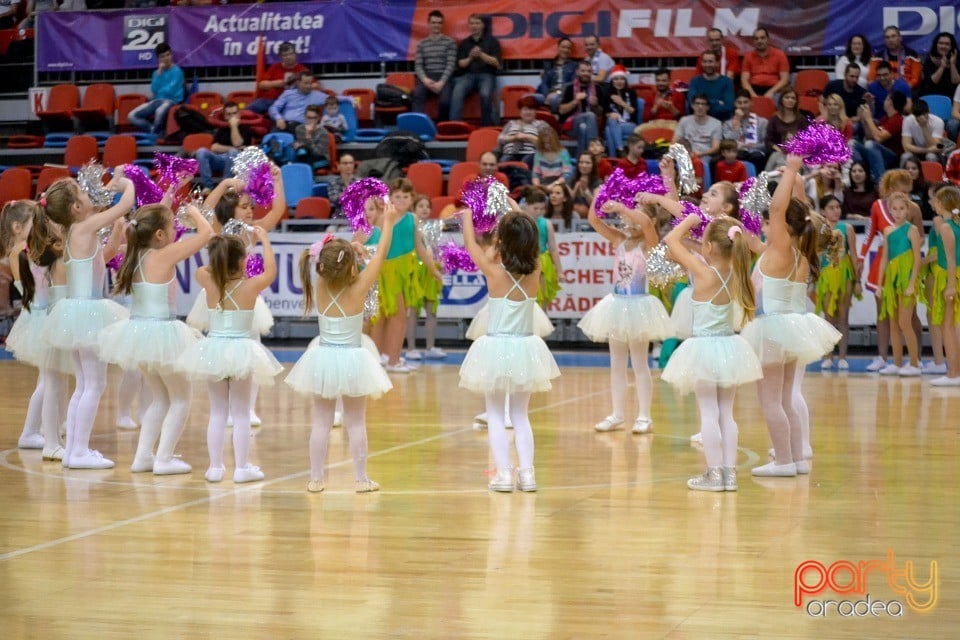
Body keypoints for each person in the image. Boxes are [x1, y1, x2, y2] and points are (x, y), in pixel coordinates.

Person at [740, 154, 840, 477]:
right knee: (785, 397)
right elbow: (794, 211)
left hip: (773, 330)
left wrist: (793, 169)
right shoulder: (797, 247)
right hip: (792, 329)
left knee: (770, 399)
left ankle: (782, 461)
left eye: (770, 223)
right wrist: (796, 181)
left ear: (781, 226)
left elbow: (778, 209)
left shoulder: (782, 248)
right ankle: (795, 458)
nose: (766, 225)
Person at [287, 214, 401, 493]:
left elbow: (334, 262)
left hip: (323, 357)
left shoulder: (320, 284)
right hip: (352, 359)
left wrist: (351, 250)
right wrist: (386, 224)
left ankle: (316, 479)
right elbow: (382, 252)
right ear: (351, 266)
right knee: (355, 421)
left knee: (322, 422)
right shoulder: (359, 287)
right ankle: (361, 479)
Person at [98, 203, 213, 475]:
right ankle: (164, 458)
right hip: (161, 333)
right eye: (174, 225)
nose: (177, 229)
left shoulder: (136, 255)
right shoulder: (164, 255)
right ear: (160, 235)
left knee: (161, 399)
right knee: (182, 398)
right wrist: (195, 213)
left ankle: (143, 458)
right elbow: (207, 234)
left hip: (139, 333)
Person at [655, 213, 761, 491]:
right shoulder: (739, 274)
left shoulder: (702, 272)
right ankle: (729, 474)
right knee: (726, 412)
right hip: (729, 346)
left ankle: (714, 475)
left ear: (711, 247)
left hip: (704, 348)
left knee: (709, 413)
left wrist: (691, 220)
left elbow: (670, 240)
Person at [458, 209, 561, 492]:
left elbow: (471, 245)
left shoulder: (493, 271)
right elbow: (524, 239)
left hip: (496, 347)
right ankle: (527, 474)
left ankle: (504, 475)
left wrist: (467, 217)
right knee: (520, 415)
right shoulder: (537, 267)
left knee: (494, 414)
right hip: (525, 346)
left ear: (502, 241)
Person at [42, 172, 136, 470]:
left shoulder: (76, 231)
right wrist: (128, 184)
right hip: (88, 312)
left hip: (77, 312)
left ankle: (73, 450)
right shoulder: (84, 227)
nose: (87, 195)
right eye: (81, 193)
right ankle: (79, 451)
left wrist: (118, 229)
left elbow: (104, 256)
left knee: (84, 385)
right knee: (94, 384)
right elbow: (124, 205)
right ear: (75, 208)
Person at [179, 231, 282, 484]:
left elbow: (201, 268)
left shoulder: (209, 281)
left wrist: (219, 257)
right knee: (240, 413)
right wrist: (265, 240)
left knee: (217, 412)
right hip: (240, 351)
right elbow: (270, 271)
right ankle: (241, 467)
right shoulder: (250, 286)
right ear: (241, 261)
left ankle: (215, 467)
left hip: (214, 349)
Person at [194, 170, 286, 427]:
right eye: (244, 207)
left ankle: (246, 409)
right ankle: (224, 406)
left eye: (251, 206)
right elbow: (203, 210)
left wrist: (278, 180)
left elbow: (277, 211)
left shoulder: (251, 232)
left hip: (245, 300)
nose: (249, 211)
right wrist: (223, 184)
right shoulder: (215, 231)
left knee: (251, 351)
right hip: (217, 298)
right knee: (220, 348)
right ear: (230, 209)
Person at [580, 195, 673, 435]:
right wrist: (598, 196)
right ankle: (617, 414)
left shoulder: (649, 244)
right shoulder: (620, 240)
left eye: (634, 213)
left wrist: (624, 207)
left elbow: (647, 226)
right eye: (624, 215)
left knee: (640, 364)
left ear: (648, 218)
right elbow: (594, 220)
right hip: (616, 305)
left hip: (638, 306)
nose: (627, 219)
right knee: (617, 364)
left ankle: (644, 416)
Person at [365, 178, 435, 372]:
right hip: (385, 273)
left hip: (404, 272)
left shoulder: (412, 219)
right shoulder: (384, 217)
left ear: (412, 198)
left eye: (406, 196)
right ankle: (388, 359)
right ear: (390, 198)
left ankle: (385, 357)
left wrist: (433, 270)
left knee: (394, 316)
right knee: (391, 317)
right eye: (398, 196)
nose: (402, 200)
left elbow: (419, 247)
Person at [2, 200, 45, 450]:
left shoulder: (23, 247)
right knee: (47, 379)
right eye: (34, 223)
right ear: (18, 227)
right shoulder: (21, 250)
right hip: (38, 315)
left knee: (51, 377)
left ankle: (50, 425)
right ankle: (30, 431)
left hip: (39, 314)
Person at [876, 191, 923, 376]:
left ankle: (914, 363)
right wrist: (880, 284)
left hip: (907, 279)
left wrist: (912, 283)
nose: (898, 212)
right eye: (894, 209)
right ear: (890, 210)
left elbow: (917, 259)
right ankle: (896, 362)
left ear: (907, 209)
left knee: (905, 322)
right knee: (893, 323)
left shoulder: (912, 230)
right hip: (892, 280)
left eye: (901, 208)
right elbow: (885, 258)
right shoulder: (887, 231)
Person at [816, 195, 859, 370]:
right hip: (827, 275)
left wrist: (857, 280)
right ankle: (828, 355)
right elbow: (816, 255)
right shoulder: (820, 229)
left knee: (843, 316)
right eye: (831, 207)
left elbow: (854, 255)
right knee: (828, 317)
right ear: (823, 211)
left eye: (838, 207)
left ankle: (842, 356)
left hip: (845, 274)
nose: (836, 211)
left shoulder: (847, 228)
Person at [404, 194, 445, 361]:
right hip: (415, 271)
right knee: (412, 311)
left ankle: (430, 347)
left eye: (427, 206)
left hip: (430, 272)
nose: (424, 209)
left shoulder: (434, 227)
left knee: (431, 311)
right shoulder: (411, 227)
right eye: (420, 206)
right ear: (413, 209)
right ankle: (411, 348)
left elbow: (435, 249)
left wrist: (439, 263)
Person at [928, 185, 960, 385]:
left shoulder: (947, 226)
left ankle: (953, 374)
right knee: (952, 326)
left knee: (947, 326)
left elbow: (950, 259)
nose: (933, 204)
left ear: (942, 204)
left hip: (953, 277)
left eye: (935, 201)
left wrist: (950, 285)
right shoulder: (956, 224)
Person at [449, 14, 501, 127]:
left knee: (485, 94)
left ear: (482, 25)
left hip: (486, 75)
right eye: (472, 23)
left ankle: (487, 127)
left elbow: (496, 63)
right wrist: (471, 57)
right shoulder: (464, 43)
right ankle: (454, 126)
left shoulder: (492, 41)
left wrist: (481, 55)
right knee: (457, 91)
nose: (474, 26)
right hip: (467, 75)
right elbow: (460, 64)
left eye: (477, 23)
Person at [128, 43, 185, 135]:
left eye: (168, 55)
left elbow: (170, 91)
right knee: (132, 116)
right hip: (157, 100)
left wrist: (159, 91)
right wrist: (159, 74)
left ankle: (155, 133)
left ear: (171, 55)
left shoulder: (177, 71)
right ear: (159, 59)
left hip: (172, 101)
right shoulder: (156, 73)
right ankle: (153, 130)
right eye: (163, 56)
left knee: (159, 111)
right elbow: (154, 89)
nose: (166, 58)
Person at [195, 101, 253, 190]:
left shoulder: (246, 129)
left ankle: (225, 187)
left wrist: (234, 126)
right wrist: (233, 148)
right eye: (229, 114)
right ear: (225, 116)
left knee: (233, 152)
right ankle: (208, 187)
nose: (232, 117)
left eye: (234, 113)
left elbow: (237, 143)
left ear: (239, 114)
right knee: (201, 151)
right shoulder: (222, 130)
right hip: (220, 159)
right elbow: (214, 147)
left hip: (237, 162)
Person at [412, 10, 456, 122]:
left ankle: (441, 127)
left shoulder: (450, 42)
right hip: (426, 77)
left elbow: (450, 65)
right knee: (417, 94)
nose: (436, 25)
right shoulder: (422, 44)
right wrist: (425, 80)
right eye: (434, 22)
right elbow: (418, 66)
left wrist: (441, 82)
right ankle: (419, 126)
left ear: (442, 24)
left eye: (439, 23)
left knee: (445, 101)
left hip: (444, 77)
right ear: (428, 23)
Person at [853, 90, 907, 183]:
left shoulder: (898, 119)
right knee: (851, 143)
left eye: (886, 99)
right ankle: (862, 171)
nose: (884, 101)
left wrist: (869, 119)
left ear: (890, 102)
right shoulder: (885, 118)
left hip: (892, 158)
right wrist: (864, 120)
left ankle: (880, 183)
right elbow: (871, 137)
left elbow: (879, 138)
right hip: (877, 153)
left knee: (870, 144)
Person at [558, 59, 604, 156]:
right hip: (571, 126)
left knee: (583, 128)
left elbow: (601, 113)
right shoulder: (569, 88)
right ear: (577, 72)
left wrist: (595, 106)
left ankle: (582, 158)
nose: (586, 74)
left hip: (590, 126)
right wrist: (575, 101)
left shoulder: (597, 89)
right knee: (589, 116)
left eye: (588, 71)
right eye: (583, 71)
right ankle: (595, 152)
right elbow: (561, 111)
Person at [249, 41, 309, 115]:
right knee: (250, 109)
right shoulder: (275, 67)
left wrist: (300, 84)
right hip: (271, 100)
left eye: (291, 54)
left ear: (296, 54)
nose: (288, 57)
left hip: (291, 102)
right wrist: (277, 83)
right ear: (280, 57)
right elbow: (261, 85)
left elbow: (314, 86)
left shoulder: (303, 70)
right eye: (285, 55)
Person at [530, 188, 564, 309]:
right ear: (527, 206)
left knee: (543, 297)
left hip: (543, 263)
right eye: (535, 208)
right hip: (525, 262)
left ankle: (543, 323)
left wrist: (560, 271)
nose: (539, 212)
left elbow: (553, 249)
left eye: (542, 209)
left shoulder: (546, 223)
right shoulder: (520, 221)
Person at [764, 87, 809, 172]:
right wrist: (780, 150)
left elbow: (806, 141)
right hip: (778, 153)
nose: (790, 100)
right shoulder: (774, 119)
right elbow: (768, 141)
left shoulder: (801, 119)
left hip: (796, 153)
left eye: (793, 98)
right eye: (787, 97)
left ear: (796, 101)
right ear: (782, 100)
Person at [721, 90, 769, 169]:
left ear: (751, 103)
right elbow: (728, 145)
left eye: (745, 102)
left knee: (756, 156)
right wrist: (736, 123)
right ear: (735, 104)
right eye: (739, 103)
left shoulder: (762, 122)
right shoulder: (727, 124)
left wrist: (754, 146)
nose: (742, 106)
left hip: (756, 153)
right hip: (736, 153)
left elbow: (766, 144)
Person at [498, 96, 549, 167]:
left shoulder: (541, 124)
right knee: (505, 160)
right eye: (525, 109)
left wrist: (528, 136)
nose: (528, 112)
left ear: (535, 111)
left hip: (530, 154)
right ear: (520, 112)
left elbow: (547, 143)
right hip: (510, 153)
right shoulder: (511, 123)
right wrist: (514, 137)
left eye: (531, 109)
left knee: (525, 162)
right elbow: (500, 139)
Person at [740, 27, 790, 99]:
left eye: (762, 38)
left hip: (775, 89)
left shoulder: (780, 55)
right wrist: (753, 95)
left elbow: (784, 80)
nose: (759, 41)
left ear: (768, 39)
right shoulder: (748, 56)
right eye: (756, 39)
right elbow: (744, 80)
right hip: (753, 89)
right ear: (753, 42)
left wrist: (771, 92)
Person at [603, 65, 640, 157]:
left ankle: (614, 156)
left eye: (621, 79)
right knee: (609, 127)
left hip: (630, 125)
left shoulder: (631, 93)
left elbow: (633, 112)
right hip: (615, 123)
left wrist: (621, 103)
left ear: (625, 80)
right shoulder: (607, 94)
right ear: (612, 81)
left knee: (609, 130)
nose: (619, 82)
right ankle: (620, 150)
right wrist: (610, 114)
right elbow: (605, 112)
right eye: (616, 79)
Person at [688, 51, 735, 121]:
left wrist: (702, 104)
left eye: (710, 62)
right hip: (699, 121)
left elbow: (729, 107)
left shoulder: (727, 82)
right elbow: (692, 103)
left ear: (717, 63)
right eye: (705, 62)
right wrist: (717, 102)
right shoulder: (695, 81)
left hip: (721, 121)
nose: (707, 64)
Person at [535, 37, 577, 113]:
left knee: (553, 99)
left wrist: (558, 93)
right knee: (529, 98)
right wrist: (547, 95)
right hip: (548, 95)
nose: (565, 50)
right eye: (563, 47)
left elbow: (572, 84)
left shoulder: (574, 66)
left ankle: (555, 119)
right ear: (558, 48)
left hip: (563, 96)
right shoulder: (549, 65)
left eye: (568, 48)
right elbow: (544, 83)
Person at [901, 99, 948, 165]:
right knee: (905, 156)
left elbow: (936, 146)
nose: (921, 117)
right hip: (918, 150)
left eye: (924, 114)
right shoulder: (907, 120)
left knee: (931, 156)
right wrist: (926, 150)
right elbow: (906, 146)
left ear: (928, 112)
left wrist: (924, 126)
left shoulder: (938, 122)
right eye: (918, 115)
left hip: (935, 152)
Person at [674, 94, 722, 159]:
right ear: (692, 106)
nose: (700, 107)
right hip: (686, 155)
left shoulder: (716, 123)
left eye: (703, 104)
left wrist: (700, 154)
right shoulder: (684, 120)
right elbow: (674, 141)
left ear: (708, 107)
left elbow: (716, 147)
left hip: (705, 155)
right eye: (697, 103)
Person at [919, 32, 960, 99]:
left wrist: (952, 64)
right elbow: (931, 83)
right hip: (932, 95)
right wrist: (942, 67)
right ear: (936, 45)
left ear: (952, 46)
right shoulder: (929, 58)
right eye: (940, 43)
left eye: (947, 44)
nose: (943, 46)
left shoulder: (957, 58)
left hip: (952, 97)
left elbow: (956, 82)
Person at [568, 152, 600, 219]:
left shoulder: (598, 183)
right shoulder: (572, 181)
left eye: (587, 163)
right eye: (581, 162)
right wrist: (575, 189)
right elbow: (566, 202)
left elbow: (596, 206)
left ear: (593, 165)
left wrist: (585, 190)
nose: (584, 165)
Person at [327, 154, 359, 218]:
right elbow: (335, 199)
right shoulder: (333, 183)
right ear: (338, 166)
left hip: (355, 218)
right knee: (330, 228)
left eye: (351, 163)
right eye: (345, 163)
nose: (348, 166)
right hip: (337, 218)